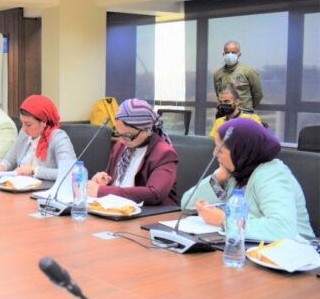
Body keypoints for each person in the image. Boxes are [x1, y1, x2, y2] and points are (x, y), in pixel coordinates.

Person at [183, 119, 314, 240]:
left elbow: (282, 229)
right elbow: (186, 204)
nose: (214, 153)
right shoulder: (237, 171)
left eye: (220, 150)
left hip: (294, 251)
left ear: (239, 151)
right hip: (249, 247)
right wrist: (217, 179)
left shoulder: (272, 174)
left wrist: (224, 220)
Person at [87, 98, 178, 206]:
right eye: (119, 133)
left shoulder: (164, 153)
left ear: (147, 130)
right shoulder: (121, 145)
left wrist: (101, 191)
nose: (121, 140)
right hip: (118, 209)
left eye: (128, 135)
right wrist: (103, 179)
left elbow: (154, 194)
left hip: (152, 213)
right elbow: (113, 181)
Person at [0, 95, 75, 180]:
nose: (23, 128)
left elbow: (69, 172)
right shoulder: (24, 133)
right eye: (22, 122)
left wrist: (33, 170)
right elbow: (9, 160)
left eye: (28, 124)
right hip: (20, 185)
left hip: (46, 187)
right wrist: (2, 167)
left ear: (44, 122)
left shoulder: (58, 138)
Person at [213, 41, 263, 114]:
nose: (230, 55)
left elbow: (257, 94)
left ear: (239, 55)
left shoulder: (248, 71)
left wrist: (248, 108)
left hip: (244, 112)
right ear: (223, 54)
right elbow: (218, 94)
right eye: (227, 52)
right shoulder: (217, 74)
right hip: (223, 113)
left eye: (233, 52)